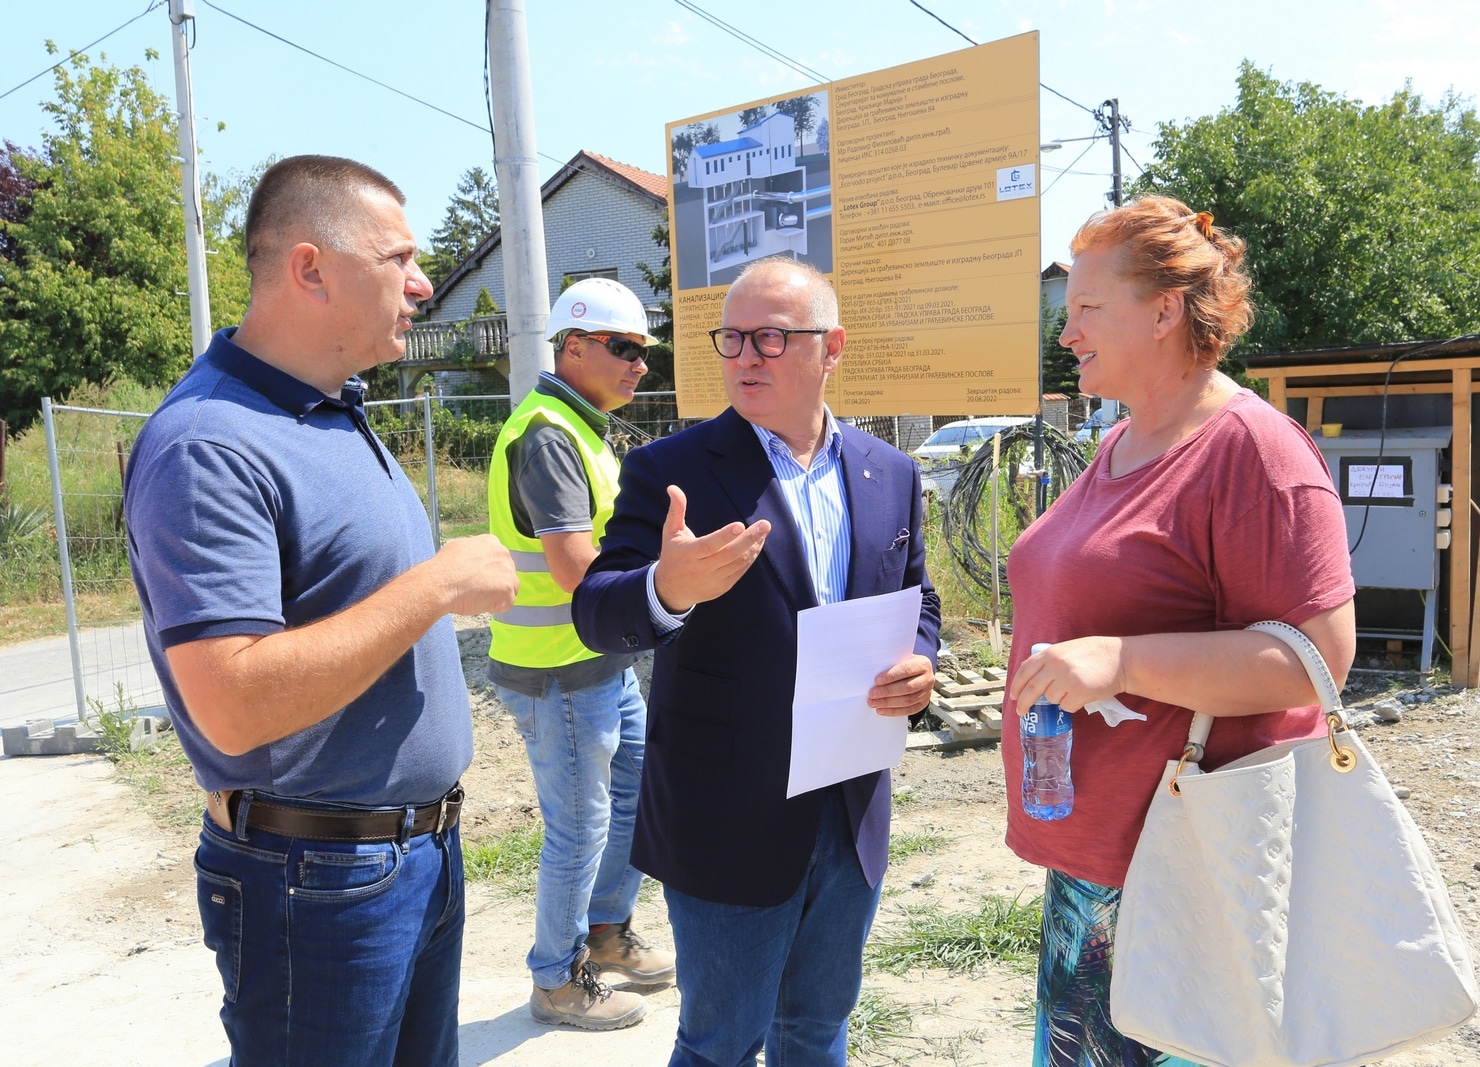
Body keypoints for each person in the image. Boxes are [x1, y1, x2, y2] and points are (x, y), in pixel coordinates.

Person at [123, 155, 518, 1067]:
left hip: (409, 857)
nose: (423, 282)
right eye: (400, 258)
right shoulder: (207, 445)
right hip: (316, 879)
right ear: (311, 269)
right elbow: (233, 701)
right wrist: (437, 585)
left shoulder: (334, 412)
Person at [1002, 196, 1357, 1067]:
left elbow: (1316, 659)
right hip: (1106, 859)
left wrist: (1120, 662)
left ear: (1164, 310)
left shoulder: (1254, 451)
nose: (1068, 330)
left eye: (1087, 308)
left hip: (1193, 867)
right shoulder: (1123, 440)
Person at [571, 256, 941, 1066]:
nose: (744, 356)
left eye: (770, 337)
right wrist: (666, 586)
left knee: (817, 1028)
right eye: (731, 337)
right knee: (721, 1043)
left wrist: (919, 660)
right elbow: (598, 610)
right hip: (727, 815)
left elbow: (918, 596)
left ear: (831, 347)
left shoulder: (891, 472)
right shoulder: (672, 471)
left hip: (849, 808)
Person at [486, 277, 675, 1029]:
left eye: (643, 352)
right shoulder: (548, 435)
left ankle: (605, 935)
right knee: (580, 826)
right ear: (573, 346)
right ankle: (556, 978)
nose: (638, 365)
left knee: (632, 798)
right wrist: (667, 585)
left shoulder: (581, 428)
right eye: (623, 348)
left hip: (598, 661)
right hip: (557, 672)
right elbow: (574, 567)